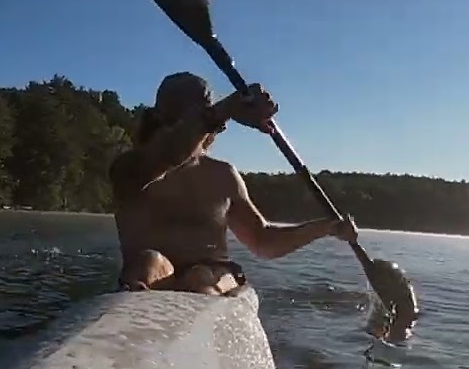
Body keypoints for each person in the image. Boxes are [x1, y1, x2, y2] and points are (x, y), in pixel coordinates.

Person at [109, 72, 357, 295]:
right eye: (188, 112)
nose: (196, 119)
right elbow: (172, 151)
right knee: (147, 263)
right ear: (158, 117)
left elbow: (262, 241)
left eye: (202, 110)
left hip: (213, 277)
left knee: (199, 278)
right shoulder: (129, 168)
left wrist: (325, 228)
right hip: (152, 277)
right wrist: (225, 109)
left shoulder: (223, 175)